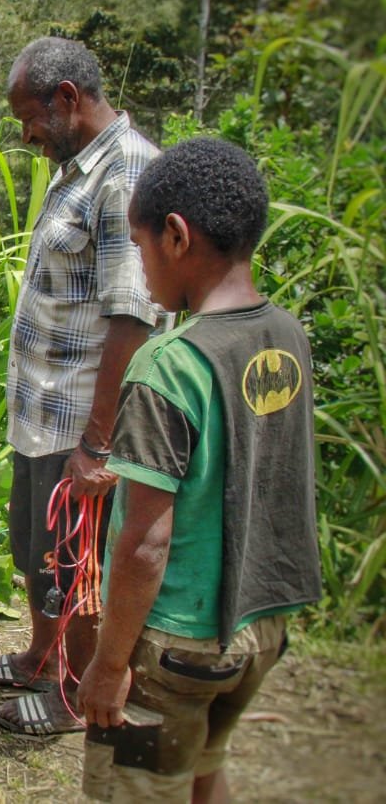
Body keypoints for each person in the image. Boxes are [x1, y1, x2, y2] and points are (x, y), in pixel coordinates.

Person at [77, 138, 320, 801]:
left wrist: (109, 664)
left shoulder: (170, 363)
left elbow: (146, 542)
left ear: (176, 236)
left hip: (175, 648)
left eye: (140, 245)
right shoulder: (287, 335)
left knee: (137, 787)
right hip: (260, 626)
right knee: (205, 767)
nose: (141, 267)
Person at [0, 37, 160, 736]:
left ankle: (74, 695)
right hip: (42, 411)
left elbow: (131, 316)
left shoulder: (126, 172)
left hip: (81, 418)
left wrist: (99, 445)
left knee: (76, 565)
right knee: (41, 553)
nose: (26, 136)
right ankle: (39, 658)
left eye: (30, 118)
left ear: (68, 99)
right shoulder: (77, 166)